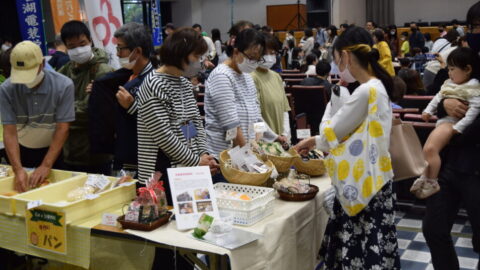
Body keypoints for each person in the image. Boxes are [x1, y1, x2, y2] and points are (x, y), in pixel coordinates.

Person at [293, 26, 400, 269]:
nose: (336, 64)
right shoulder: (378, 86)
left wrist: (333, 100)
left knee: (356, 250)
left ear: (347, 56)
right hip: (376, 180)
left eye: (337, 58)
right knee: (374, 249)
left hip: (363, 184)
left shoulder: (365, 91)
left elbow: (332, 131)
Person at [423, 4, 480, 269]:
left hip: (476, 162)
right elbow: (437, 87)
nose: (475, 33)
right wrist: (445, 104)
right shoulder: (464, 53)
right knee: (434, 229)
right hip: (450, 160)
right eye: (474, 28)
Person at [0, 41, 74, 192]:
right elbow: (9, 131)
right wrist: (18, 169)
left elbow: (62, 128)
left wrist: (46, 165)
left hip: (54, 150)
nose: (26, 80)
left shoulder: (63, 85)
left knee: (54, 191)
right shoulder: (7, 89)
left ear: (42, 64)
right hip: (22, 150)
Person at [204, 28, 285, 162]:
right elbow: (231, 125)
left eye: (258, 59)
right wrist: (249, 158)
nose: (254, 63)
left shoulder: (247, 77)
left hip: (246, 153)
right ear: (236, 51)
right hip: (225, 156)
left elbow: (257, 118)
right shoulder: (222, 76)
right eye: (251, 58)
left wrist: (258, 144)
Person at [411, 47, 480, 199]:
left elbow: (474, 109)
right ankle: (425, 177)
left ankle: (431, 180)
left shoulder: (473, 87)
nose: (449, 72)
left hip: (459, 138)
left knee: (430, 149)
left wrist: (458, 127)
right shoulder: (450, 81)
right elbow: (437, 96)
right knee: (427, 150)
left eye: (452, 69)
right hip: (450, 151)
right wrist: (433, 109)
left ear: (468, 69)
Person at [88, 22, 155, 177]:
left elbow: (162, 125)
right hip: (125, 157)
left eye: (120, 48)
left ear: (137, 51)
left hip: (146, 161)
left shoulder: (155, 81)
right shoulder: (123, 77)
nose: (117, 54)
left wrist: (132, 107)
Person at [58, 20, 114, 174]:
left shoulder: (104, 71)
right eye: (72, 46)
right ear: (65, 47)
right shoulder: (63, 72)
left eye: (82, 44)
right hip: (69, 151)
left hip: (97, 153)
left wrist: (62, 114)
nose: (78, 49)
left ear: (90, 40)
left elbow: (92, 111)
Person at [251, 33, 291, 141]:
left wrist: (285, 134)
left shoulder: (276, 76)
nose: (269, 56)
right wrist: (274, 137)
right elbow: (255, 117)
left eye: (272, 53)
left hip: (281, 139)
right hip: (264, 141)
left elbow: (284, 109)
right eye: (265, 53)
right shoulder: (251, 77)